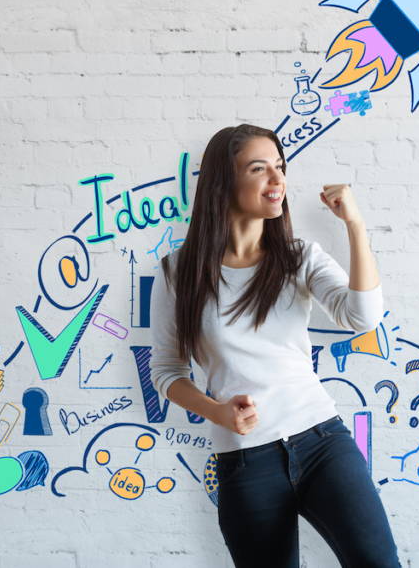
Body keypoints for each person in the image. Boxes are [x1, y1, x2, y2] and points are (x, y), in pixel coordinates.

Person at [149, 124, 401, 568]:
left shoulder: (299, 257)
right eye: (259, 168)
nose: (277, 179)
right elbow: (167, 372)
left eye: (280, 167)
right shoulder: (177, 273)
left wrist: (355, 227)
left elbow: (362, 316)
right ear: (225, 180)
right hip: (246, 462)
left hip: (322, 441)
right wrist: (217, 411)